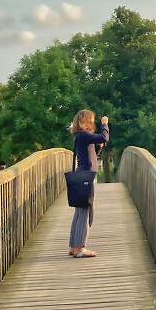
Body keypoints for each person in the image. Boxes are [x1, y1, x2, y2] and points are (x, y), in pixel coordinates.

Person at [68, 109, 109, 258]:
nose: (93, 122)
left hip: (83, 175)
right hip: (87, 177)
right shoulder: (84, 135)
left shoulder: (80, 136)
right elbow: (104, 137)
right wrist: (105, 125)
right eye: (91, 120)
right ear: (86, 120)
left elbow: (91, 156)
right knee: (84, 211)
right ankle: (79, 248)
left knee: (80, 211)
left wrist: (97, 147)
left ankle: (74, 246)